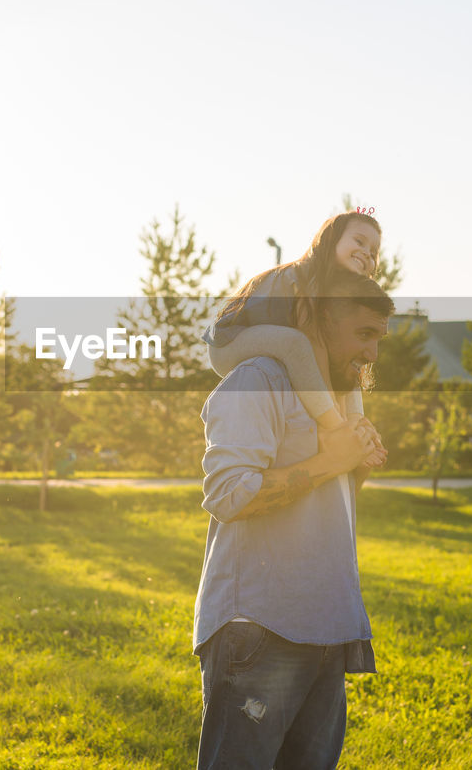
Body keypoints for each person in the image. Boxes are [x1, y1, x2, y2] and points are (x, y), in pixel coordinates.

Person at [193, 268, 394, 769]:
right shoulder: (258, 379)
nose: (372, 354)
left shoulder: (334, 401)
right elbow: (229, 494)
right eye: (364, 334)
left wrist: (356, 461)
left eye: (379, 338)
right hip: (261, 630)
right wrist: (330, 461)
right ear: (322, 322)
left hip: (327, 626)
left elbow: (330, 503)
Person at [204, 211, 384, 433]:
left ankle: (357, 425)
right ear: (332, 239)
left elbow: (338, 360)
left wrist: (355, 418)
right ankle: (336, 428)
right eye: (359, 241)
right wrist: (334, 422)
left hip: (269, 340)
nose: (366, 253)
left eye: (373, 252)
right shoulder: (308, 278)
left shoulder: (340, 294)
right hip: (228, 343)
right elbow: (313, 346)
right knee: (294, 342)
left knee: (348, 356)